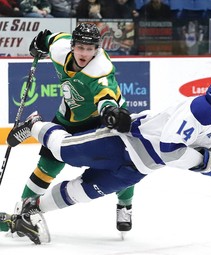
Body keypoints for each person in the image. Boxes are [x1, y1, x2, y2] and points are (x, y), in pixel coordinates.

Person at [5, 79, 211, 244]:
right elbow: (169, 150)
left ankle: (31, 209)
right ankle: (35, 125)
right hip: (121, 144)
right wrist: (207, 164)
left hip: (139, 169)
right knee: (65, 150)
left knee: (82, 193)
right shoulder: (197, 111)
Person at [0, 23, 136, 236]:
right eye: (80, 47)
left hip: (105, 119)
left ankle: (125, 206)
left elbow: (106, 98)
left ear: (97, 50)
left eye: (90, 49)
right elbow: (49, 38)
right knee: (47, 165)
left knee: (121, 165)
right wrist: (39, 42)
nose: (84, 53)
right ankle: (24, 210)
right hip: (71, 115)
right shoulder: (61, 49)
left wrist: (111, 112)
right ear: (72, 46)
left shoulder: (100, 69)